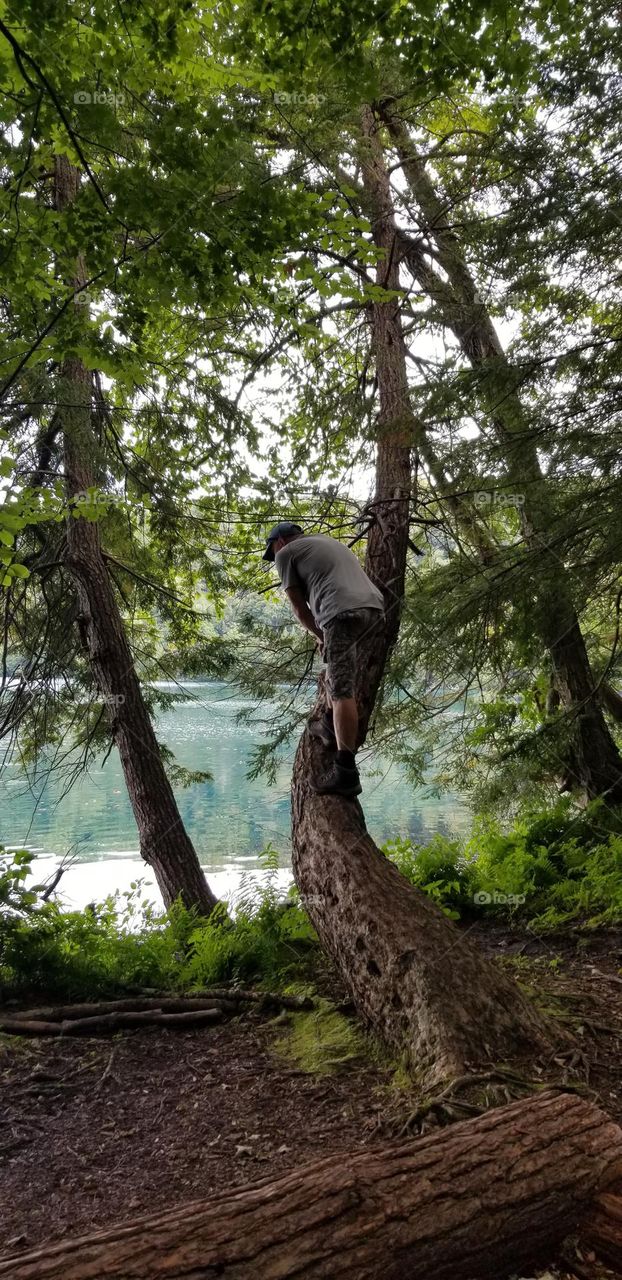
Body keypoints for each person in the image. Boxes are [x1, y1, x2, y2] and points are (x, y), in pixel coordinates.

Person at [262, 521, 384, 797]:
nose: (273, 559)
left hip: (340, 613)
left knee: (342, 689)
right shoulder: (329, 543)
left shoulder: (285, 554)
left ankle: (345, 772)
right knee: (337, 671)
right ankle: (330, 721)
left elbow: (298, 607)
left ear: (279, 542)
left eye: (271, 552)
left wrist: (321, 635)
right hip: (374, 612)